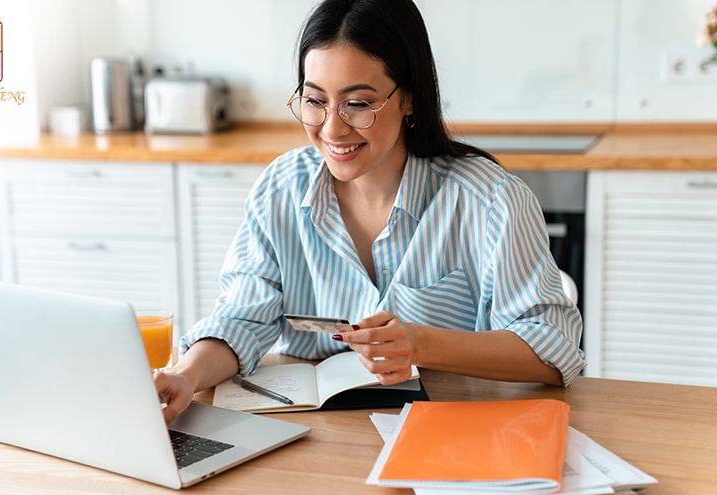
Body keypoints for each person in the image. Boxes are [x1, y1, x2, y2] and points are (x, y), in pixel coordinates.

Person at [155, 0, 586, 423]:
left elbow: (552, 350)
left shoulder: (490, 200)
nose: (332, 128)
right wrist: (184, 376)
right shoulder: (281, 188)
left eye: (358, 104)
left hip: (447, 430)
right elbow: (241, 319)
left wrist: (420, 343)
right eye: (314, 101)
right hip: (317, 439)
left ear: (409, 100)